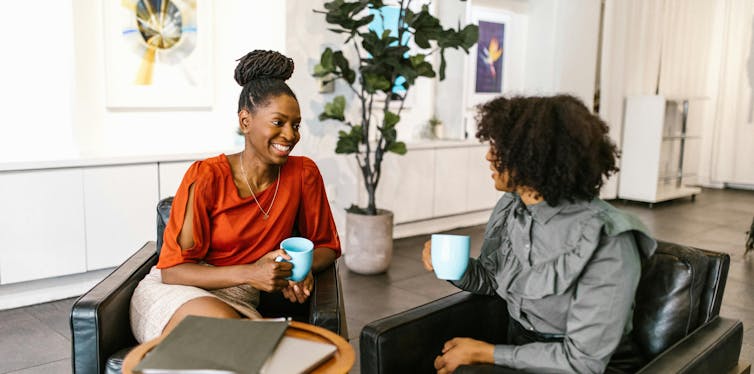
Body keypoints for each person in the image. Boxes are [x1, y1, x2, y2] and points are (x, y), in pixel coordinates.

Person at [422, 95, 656, 373]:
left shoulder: (608, 239)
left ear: (536, 156)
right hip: (522, 353)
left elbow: (584, 362)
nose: (488, 155)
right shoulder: (512, 206)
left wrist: (485, 353)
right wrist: (452, 266)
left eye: (501, 147)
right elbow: (491, 279)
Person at [130, 50, 341, 343]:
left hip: (239, 299)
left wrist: (294, 271)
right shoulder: (206, 176)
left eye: (295, 125)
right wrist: (252, 272)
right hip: (177, 294)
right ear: (245, 121)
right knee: (224, 335)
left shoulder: (304, 174)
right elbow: (173, 272)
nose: (290, 135)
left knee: (232, 343)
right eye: (278, 122)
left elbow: (327, 246)